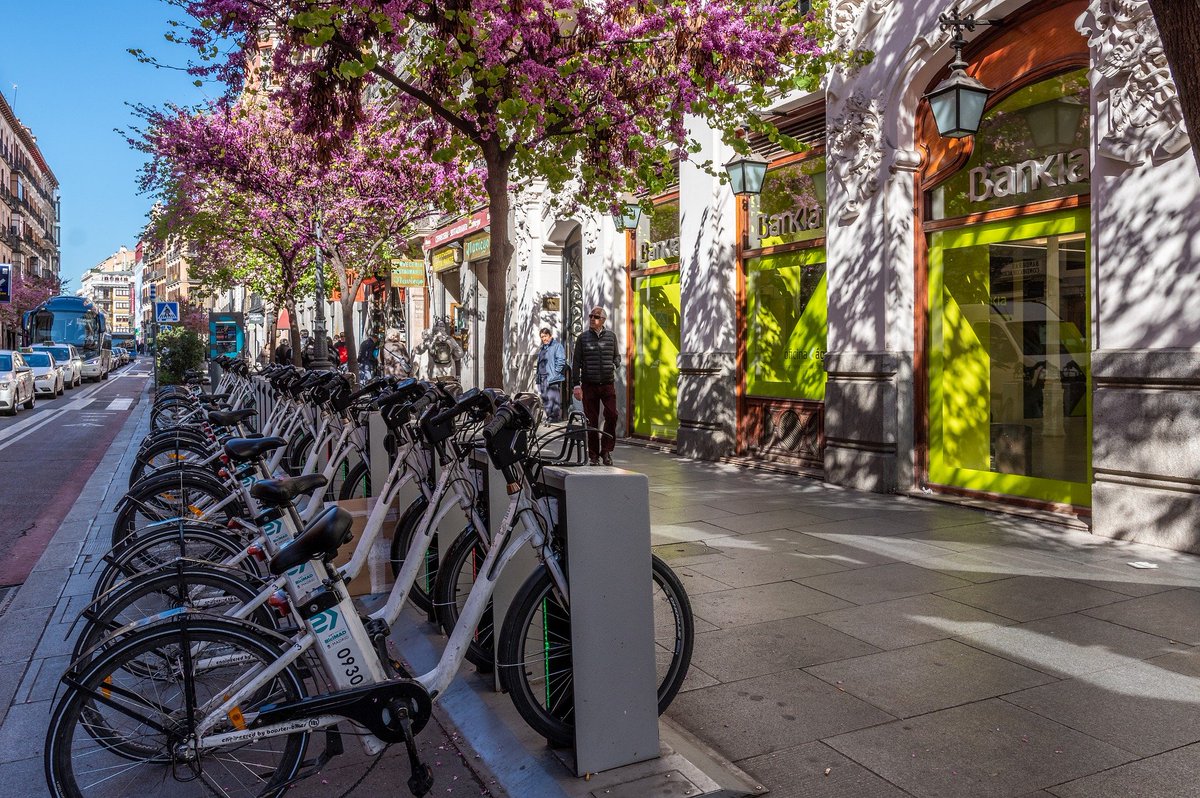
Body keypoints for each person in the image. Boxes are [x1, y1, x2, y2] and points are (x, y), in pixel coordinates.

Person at [571, 306, 621, 466]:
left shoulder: (611, 337)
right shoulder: (582, 338)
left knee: (612, 415)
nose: (592, 319)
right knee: (591, 421)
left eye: (596, 317)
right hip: (589, 384)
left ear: (603, 320)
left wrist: (615, 364)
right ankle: (593, 455)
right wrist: (576, 386)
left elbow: (617, 356)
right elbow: (576, 363)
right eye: (591, 316)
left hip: (607, 384)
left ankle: (606, 451)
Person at [536, 327, 567, 423]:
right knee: (545, 397)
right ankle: (549, 416)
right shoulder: (543, 347)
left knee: (553, 398)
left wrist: (555, 373)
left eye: (545, 336)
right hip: (542, 376)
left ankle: (554, 417)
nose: (544, 339)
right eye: (542, 337)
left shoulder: (557, 346)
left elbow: (561, 360)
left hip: (552, 377)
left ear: (550, 336)